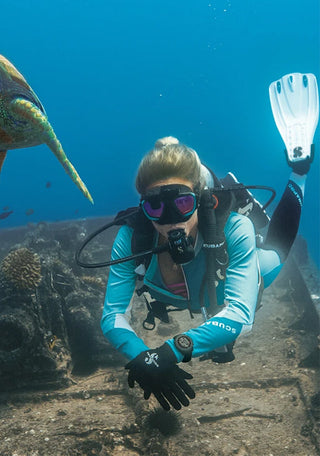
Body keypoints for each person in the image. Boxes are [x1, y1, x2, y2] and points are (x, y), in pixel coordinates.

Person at [99, 72, 318, 411]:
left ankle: (299, 170)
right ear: (144, 208)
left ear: (200, 201)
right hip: (178, 294)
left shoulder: (235, 229)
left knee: (275, 255)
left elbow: (240, 314)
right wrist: (143, 357)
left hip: (226, 274)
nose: (171, 220)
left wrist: (170, 351)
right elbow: (113, 315)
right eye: (156, 207)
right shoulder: (132, 239)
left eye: (182, 203)